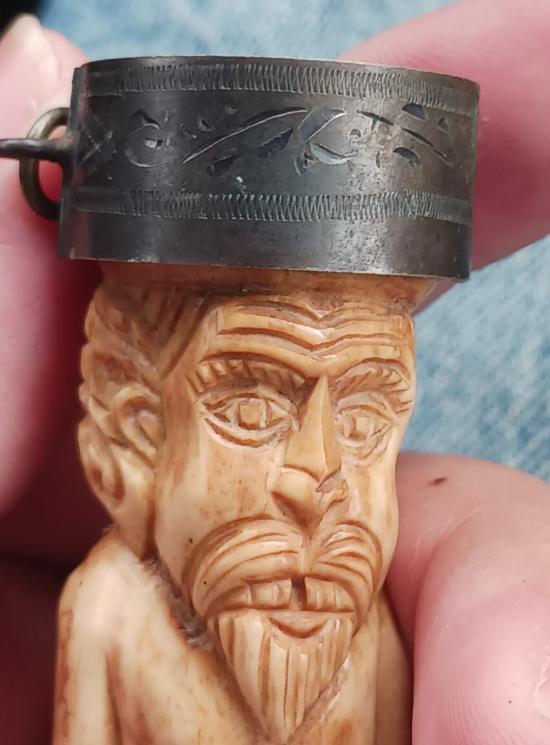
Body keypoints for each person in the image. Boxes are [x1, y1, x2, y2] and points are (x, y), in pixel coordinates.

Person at [0, 1, 549, 743]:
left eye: (362, 420)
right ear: (136, 434)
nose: (318, 482)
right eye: (251, 411)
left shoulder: (367, 634)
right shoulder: (112, 612)